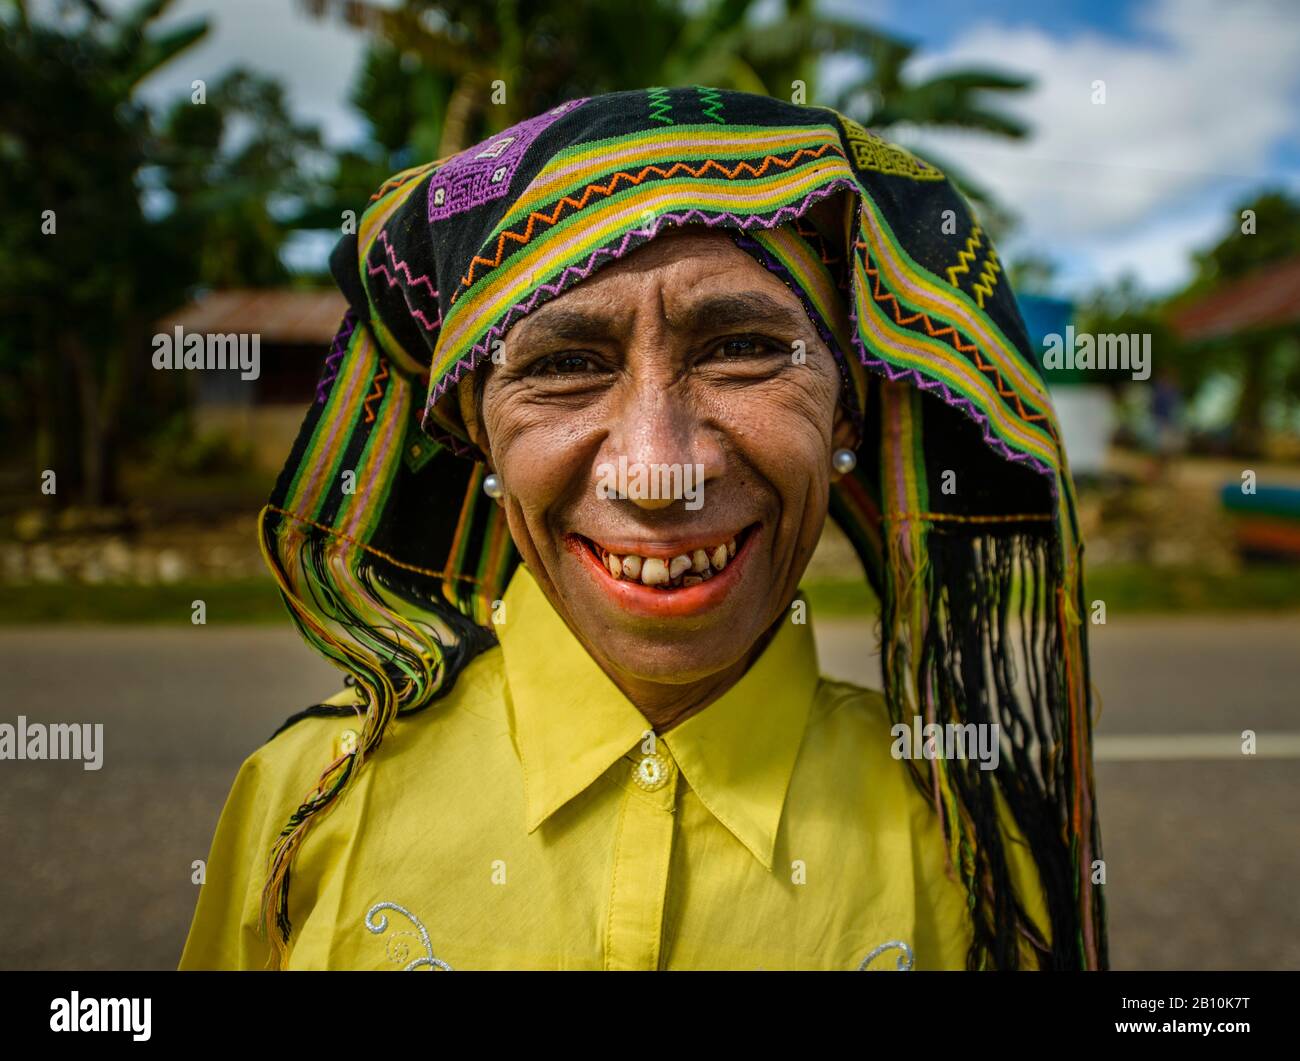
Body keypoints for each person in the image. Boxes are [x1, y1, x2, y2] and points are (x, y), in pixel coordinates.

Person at [179, 87, 1105, 971]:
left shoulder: (972, 840)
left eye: (742, 349)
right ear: (473, 425)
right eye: (567, 363)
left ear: (847, 416)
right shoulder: (304, 798)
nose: (657, 470)